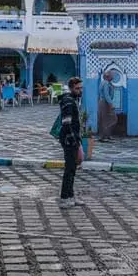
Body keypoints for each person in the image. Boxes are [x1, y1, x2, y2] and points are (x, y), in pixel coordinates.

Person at [57, 77, 86, 208]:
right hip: (69, 139)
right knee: (69, 169)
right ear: (71, 88)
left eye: (81, 88)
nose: (80, 91)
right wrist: (74, 140)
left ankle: (71, 195)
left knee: (73, 168)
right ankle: (64, 197)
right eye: (77, 88)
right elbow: (67, 122)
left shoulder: (72, 100)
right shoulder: (68, 102)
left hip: (73, 138)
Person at [97, 70, 116, 143]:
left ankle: (107, 135)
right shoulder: (105, 83)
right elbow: (106, 94)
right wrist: (111, 104)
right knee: (105, 119)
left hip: (105, 102)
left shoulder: (107, 83)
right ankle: (102, 136)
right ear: (108, 76)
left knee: (107, 119)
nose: (113, 76)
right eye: (111, 75)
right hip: (104, 102)